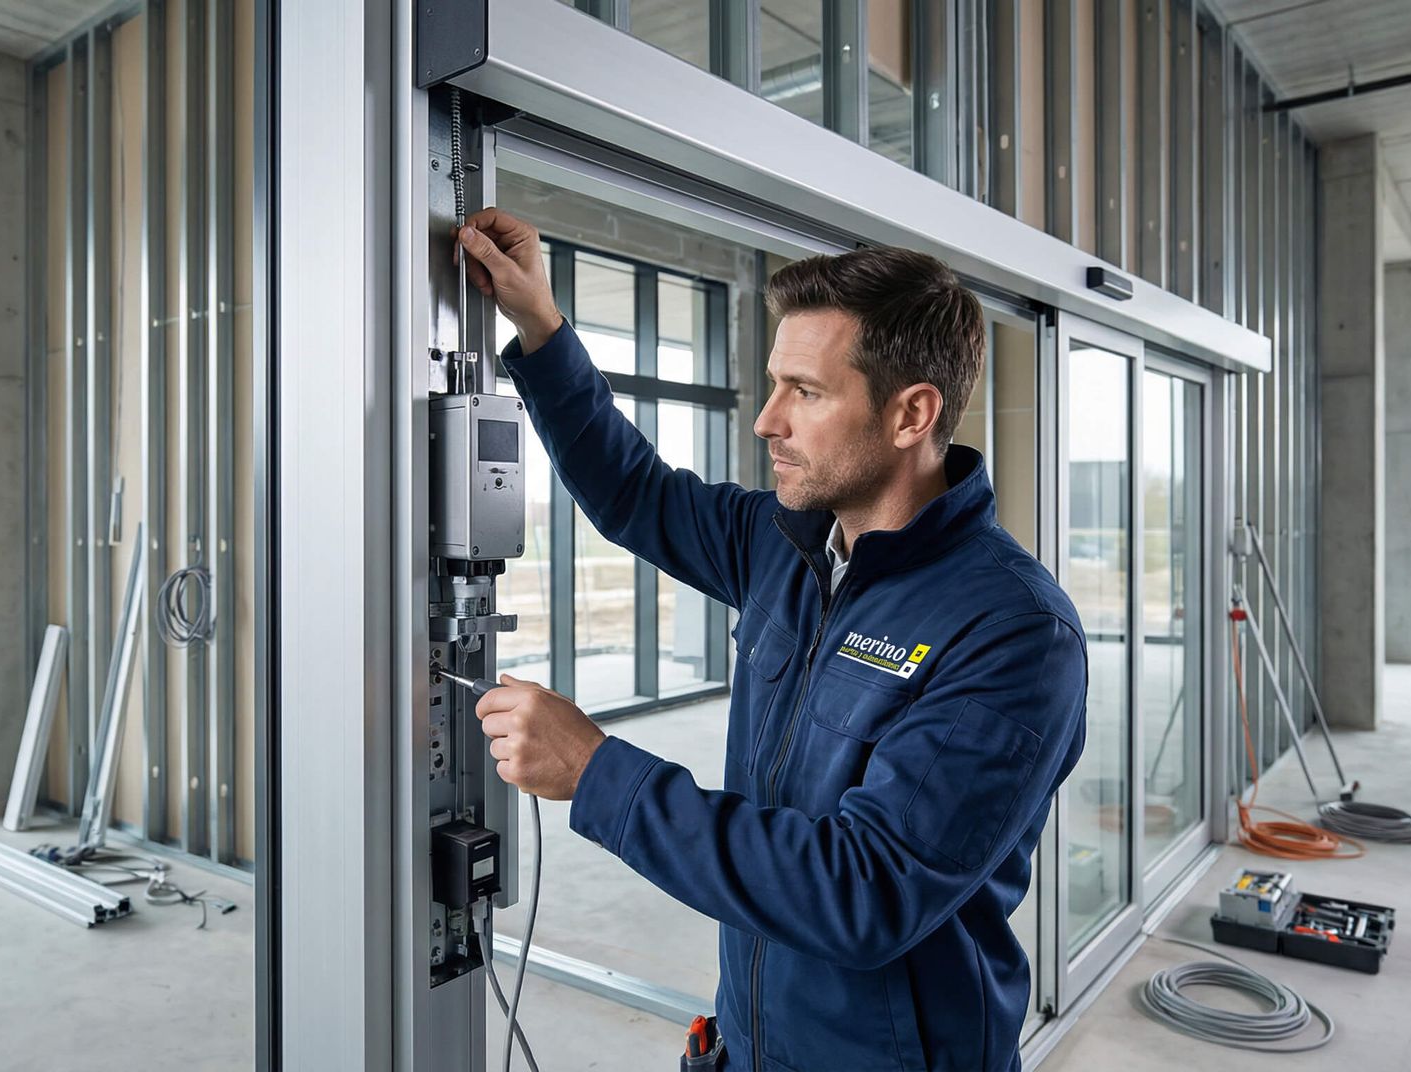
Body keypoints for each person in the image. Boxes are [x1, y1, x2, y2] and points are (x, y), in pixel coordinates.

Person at [457, 207, 1086, 1072]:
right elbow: (634, 492)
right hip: (751, 1043)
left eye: (806, 392)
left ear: (912, 414)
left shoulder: (1014, 633)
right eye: (773, 384)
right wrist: (540, 324)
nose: (767, 420)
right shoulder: (785, 545)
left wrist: (597, 772)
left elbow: (865, 892)